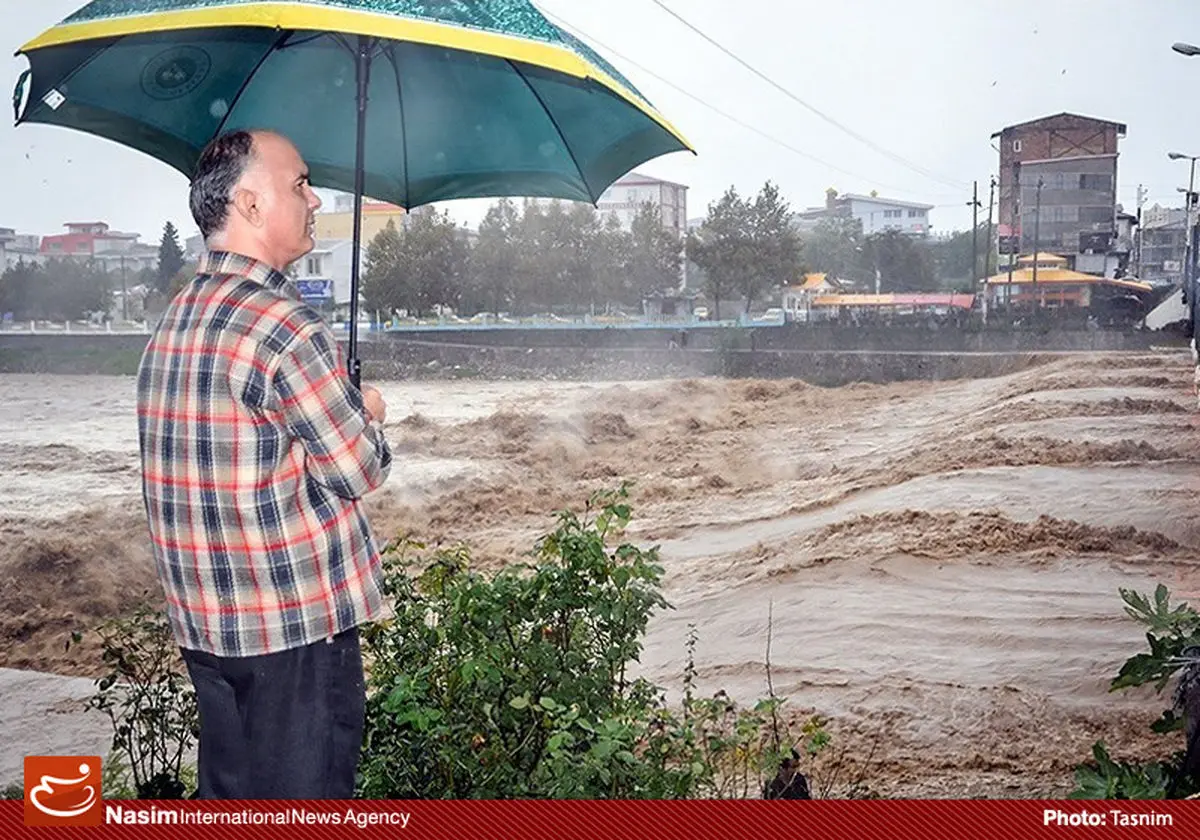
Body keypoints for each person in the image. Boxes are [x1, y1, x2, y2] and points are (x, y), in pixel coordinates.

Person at [135, 129, 392, 799]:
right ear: (249, 204)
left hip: (207, 629)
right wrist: (365, 410)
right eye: (300, 184)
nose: (315, 200)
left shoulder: (177, 320)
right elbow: (358, 470)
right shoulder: (285, 326)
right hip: (292, 633)